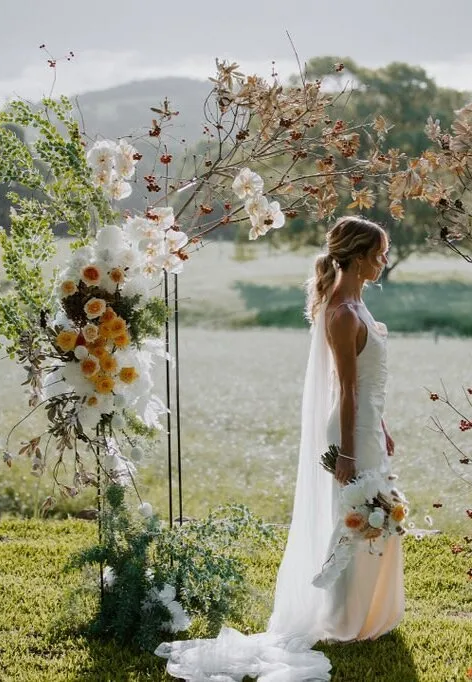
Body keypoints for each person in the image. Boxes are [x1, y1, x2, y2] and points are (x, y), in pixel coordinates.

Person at [156, 216, 404, 681]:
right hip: (352, 433)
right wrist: (348, 453)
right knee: (352, 521)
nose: (384, 261)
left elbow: (369, 388)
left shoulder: (357, 304)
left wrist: (383, 428)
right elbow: (345, 390)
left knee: (376, 516)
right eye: (379, 253)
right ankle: (345, 617)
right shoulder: (342, 313)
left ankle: (368, 612)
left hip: (369, 428)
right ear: (357, 256)